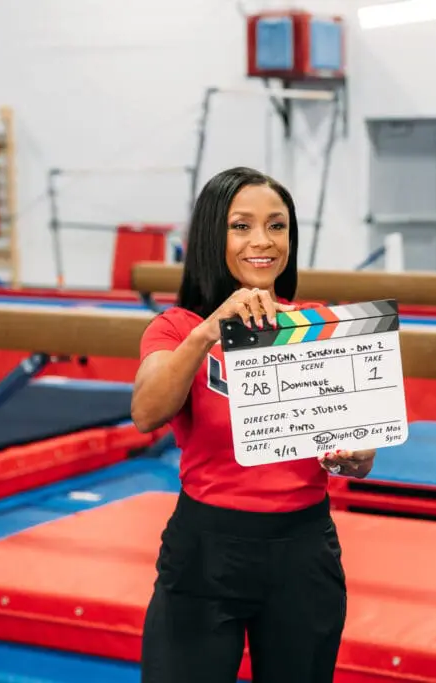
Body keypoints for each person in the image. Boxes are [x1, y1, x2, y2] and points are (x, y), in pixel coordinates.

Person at [131, 166, 377, 683]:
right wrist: (208, 333)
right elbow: (147, 411)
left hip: (303, 550)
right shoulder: (176, 327)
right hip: (205, 549)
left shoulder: (317, 324)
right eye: (241, 226)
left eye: (277, 226)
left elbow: (358, 451)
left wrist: (356, 456)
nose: (262, 241)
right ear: (211, 236)